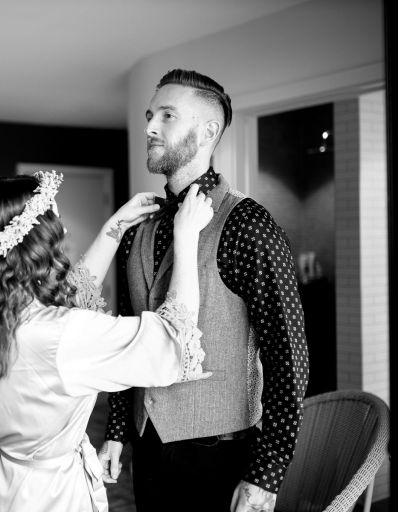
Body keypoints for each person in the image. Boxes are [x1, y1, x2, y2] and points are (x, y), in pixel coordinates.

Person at [98, 69, 309, 512]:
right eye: (150, 114)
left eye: (167, 116)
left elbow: (288, 356)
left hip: (221, 455)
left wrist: (266, 474)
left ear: (208, 130)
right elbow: (127, 336)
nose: (150, 127)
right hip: (147, 446)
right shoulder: (140, 226)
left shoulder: (249, 225)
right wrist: (118, 429)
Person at [0, 170, 213, 512]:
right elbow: (171, 340)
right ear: (38, 240)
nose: (62, 229)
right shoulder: (60, 334)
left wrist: (116, 226)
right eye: (54, 218)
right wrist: (186, 239)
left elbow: (67, 304)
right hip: (45, 495)